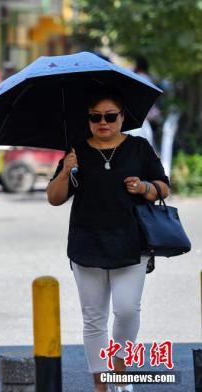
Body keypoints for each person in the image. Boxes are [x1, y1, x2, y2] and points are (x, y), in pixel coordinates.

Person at [46, 86, 170, 392]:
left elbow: (163, 188)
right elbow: (54, 198)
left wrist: (143, 187)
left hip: (132, 241)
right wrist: (65, 170)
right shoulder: (76, 150)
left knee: (127, 310)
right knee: (93, 319)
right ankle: (101, 384)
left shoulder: (139, 148)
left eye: (110, 116)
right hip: (87, 242)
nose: (103, 122)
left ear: (122, 117)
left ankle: (120, 370)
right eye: (95, 117)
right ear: (87, 119)